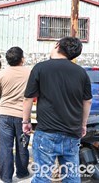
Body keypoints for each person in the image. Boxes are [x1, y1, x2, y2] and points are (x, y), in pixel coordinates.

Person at [22, 37, 92, 182]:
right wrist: (83, 124)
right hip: (72, 132)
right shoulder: (81, 72)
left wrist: (26, 121)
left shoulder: (40, 68)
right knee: (72, 176)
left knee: (42, 175)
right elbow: (88, 100)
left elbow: (28, 98)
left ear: (57, 45)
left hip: (47, 132)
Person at [0, 47, 31, 183]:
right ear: (22, 59)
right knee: (22, 145)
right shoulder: (29, 73)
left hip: (5, 114)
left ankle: (6, 177)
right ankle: (22, 172)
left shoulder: (2, 74)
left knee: (6, 147)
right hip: (23, 115)